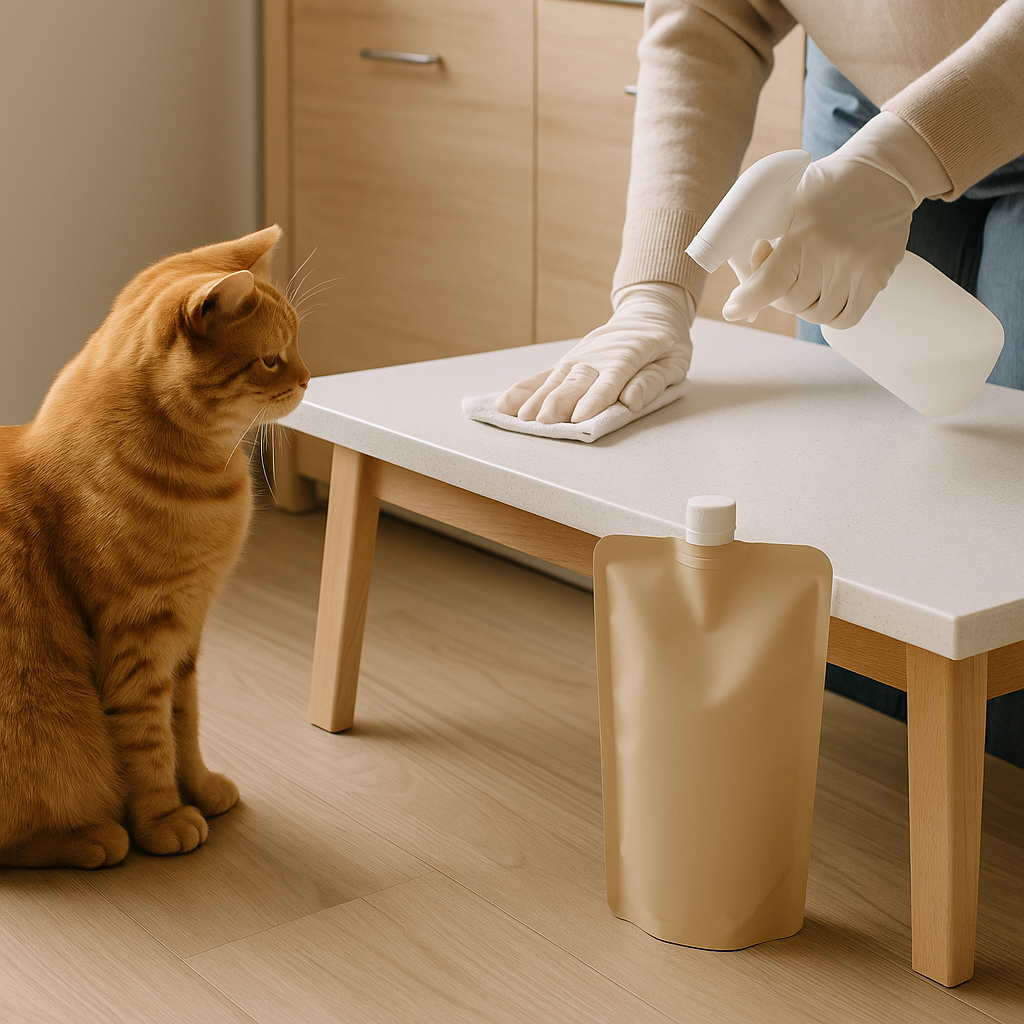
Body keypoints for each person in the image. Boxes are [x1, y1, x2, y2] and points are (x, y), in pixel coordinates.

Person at [497, 0, 1024, 767]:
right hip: (867, 82)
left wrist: (897, 162)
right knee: (854, 486)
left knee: (1004, 515)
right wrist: (653, 292)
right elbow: (708, 19)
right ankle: (862, 803)